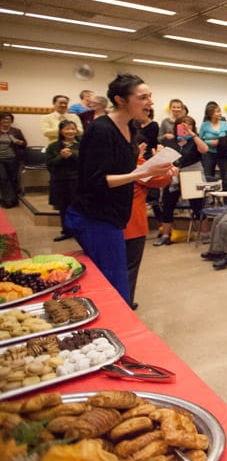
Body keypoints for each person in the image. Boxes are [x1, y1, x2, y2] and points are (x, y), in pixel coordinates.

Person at [64, 74, 175, 305]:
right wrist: (142, 174)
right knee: (114, 290)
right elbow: (96, 181)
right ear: (120, 100)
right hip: (95, 217)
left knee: (118, 284)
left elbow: (129, 170)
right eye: (143, 97)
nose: (150, 102)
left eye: (150, 97)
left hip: (113, 217)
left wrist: (156, 169)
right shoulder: (101, 130)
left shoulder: (131, 127)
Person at [123, 140, 171, 309]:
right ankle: (125, 303)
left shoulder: (112, 161)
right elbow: (160, 180)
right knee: (130, 266)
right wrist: (161, 160)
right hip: (132, 223)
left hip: (109, 221)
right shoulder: (135, 165)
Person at [154, 115, 209, 247]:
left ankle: (206, 234)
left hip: (192, 175)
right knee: (168, 205)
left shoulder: (195, 141)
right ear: (176, 127)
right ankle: (166, 235)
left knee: (198, 206)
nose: (185, 127)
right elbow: (162, 159)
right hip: (173, 176)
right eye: (182, 125)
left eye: (189, 125)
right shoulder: (170, 142)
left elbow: (205, 150)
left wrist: (193, 135)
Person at [44, 120, 81, 240]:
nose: (70, 131)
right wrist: (61, 157)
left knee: (78, 206)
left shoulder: (82, 144)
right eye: (67, 129)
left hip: (77, 180)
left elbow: (86, 163)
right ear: (61, 131)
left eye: (72, 129)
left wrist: (72, 156)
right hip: (59, 181)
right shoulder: (53, 146)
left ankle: (79, 230)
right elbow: (49, 164)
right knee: (63, 206)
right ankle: (66, 231)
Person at [0, 113, 27, 208]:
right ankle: (7, 200)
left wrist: (19, 142)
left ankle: (13, 199)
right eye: (4, 119)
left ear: (11, 121)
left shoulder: (16, 131)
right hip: (0, 159)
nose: (6, 121)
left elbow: (24, 144)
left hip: (13, 158)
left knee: (13, 178)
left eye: (8, 119)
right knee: (3, 178)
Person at [199, 101, 227, 184]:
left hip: (223, 153)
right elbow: (200, 139)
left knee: (226, 177)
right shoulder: (204, 125)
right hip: (209, 153)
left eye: (220, 111)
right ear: (211, 114)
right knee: (208, 176)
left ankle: (226, 195)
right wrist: (209, 142)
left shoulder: (224, 124)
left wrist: (219, 141)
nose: (220, 113)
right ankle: (209, 196)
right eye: (217, 111)